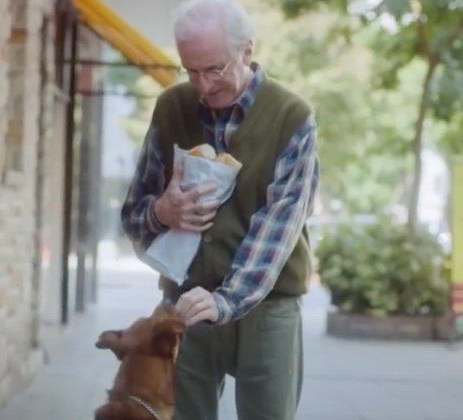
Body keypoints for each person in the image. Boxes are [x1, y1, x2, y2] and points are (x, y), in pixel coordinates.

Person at [120, 0, 319, 418]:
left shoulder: (292, 117)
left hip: (268, 306)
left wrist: (225, 300)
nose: (203, 85)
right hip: (183, 305)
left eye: (214, 69)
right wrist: (162, 212)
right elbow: (133, 215)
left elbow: (275, 232)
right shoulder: (172, 107)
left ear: (246, 51)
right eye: (190, 71)